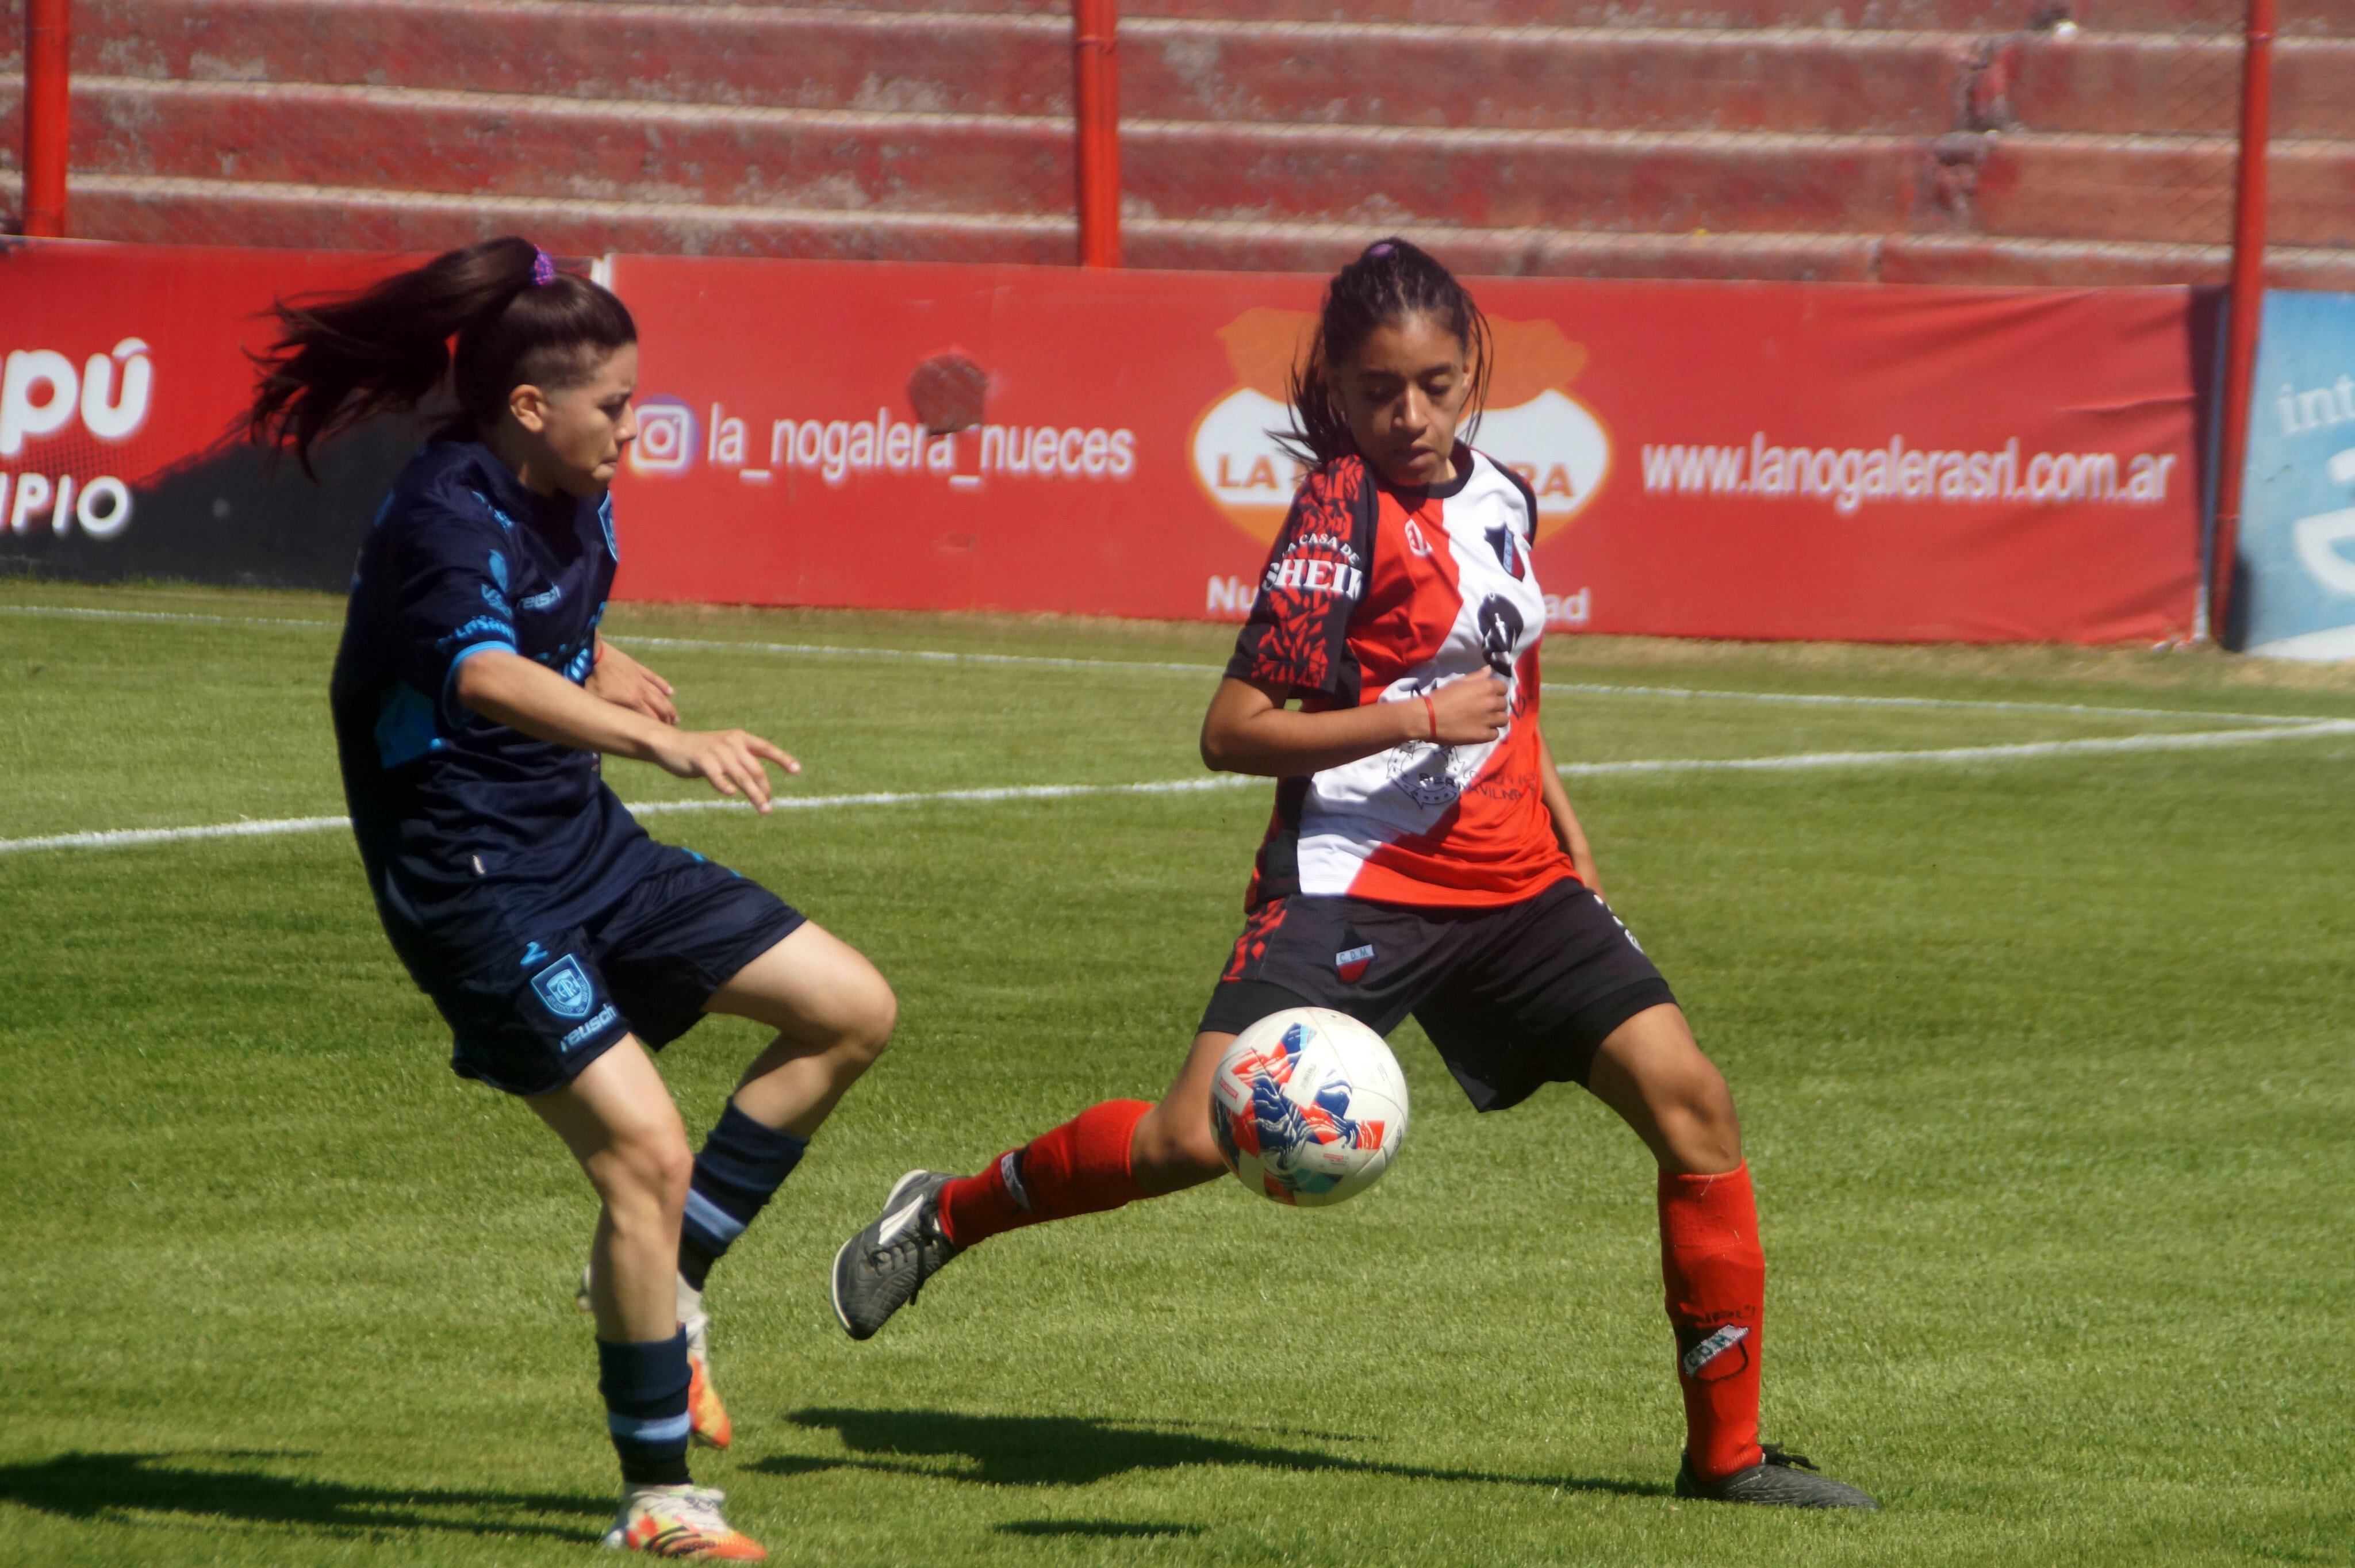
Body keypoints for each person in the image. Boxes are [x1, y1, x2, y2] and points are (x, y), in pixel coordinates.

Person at [829, 238, 1875, 1511]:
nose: (1412, 416)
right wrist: (1408, 722)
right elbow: (1231, 729)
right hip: (1352, 881)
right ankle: (945, 1213)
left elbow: (1508, 681)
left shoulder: (1506, 494)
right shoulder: (1335, 513)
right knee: (1179, 1145)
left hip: (1514, 881)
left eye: (1437, 383)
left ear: (1473, 365)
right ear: (1335, 382)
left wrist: (1560, 816)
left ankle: (1726, 1458)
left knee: (1690, 1101)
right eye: (1380, 390)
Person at [255, 237, 900, 1559]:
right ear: (532, 407)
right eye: (615, 404)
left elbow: (532, 624)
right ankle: (659, 1498)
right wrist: (661, 738)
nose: (634, 425)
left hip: (583, 841)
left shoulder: (568, 485)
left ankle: (678, 1284)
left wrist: (602, 653)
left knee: (847, 1008)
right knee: (643, 1155)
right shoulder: (447, 506)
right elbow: (477, 671)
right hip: (475, 881)